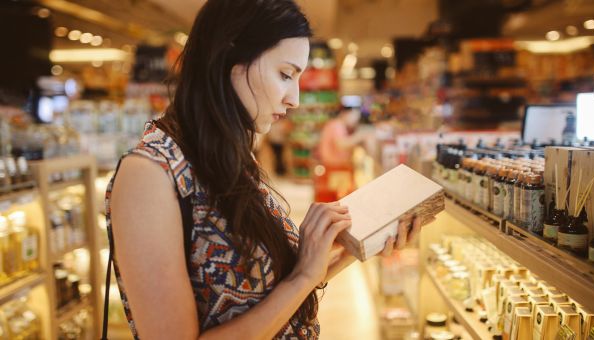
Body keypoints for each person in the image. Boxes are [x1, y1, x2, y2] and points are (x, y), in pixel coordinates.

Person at [106, 1, 421, 339]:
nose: (295, 99)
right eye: (285, 74)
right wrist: (302, 277)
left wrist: (349, 248)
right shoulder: (150, 175)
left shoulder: (230, 155)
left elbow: (267, 293)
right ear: (229, 59)